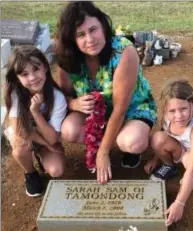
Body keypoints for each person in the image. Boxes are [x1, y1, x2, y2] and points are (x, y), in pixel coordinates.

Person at [55, 1, 157, 184]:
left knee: (131, 141)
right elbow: (64, 96)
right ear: (72, 39)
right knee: (69, 130)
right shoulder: (67, 58)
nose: (90, 39)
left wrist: (102, 152)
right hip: (95, 114)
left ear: (103, 26)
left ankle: (128, 148)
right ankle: (105, 139)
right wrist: (73, 103)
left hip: (131, 110)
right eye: (80, 34)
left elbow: (120, 109)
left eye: (93, 29)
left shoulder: (123, 51)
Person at [144, 79, 193, 226]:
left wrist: (179, 203)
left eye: (183, 109)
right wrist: (156, 159)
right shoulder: (168, 118)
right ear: (165, 110)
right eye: (172, 111)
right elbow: (164, 134)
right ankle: (170, 166)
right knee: (157, 139)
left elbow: (192, 167)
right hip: (184, 146)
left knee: (189, 161)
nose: (178, 115)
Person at [4, 45, 67, 197]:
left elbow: (52, 138)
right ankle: (30, 173)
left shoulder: (57, 96)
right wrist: (45, 144)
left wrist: (35, 112)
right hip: (25, 134)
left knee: (56, 170)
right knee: (21, 144)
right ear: (17, 78)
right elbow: (20, 130)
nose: (32, 77)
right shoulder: (15, 94)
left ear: (45, 67)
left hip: (46, 135)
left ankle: (41, 153)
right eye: (24, 74)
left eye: (35, 69)